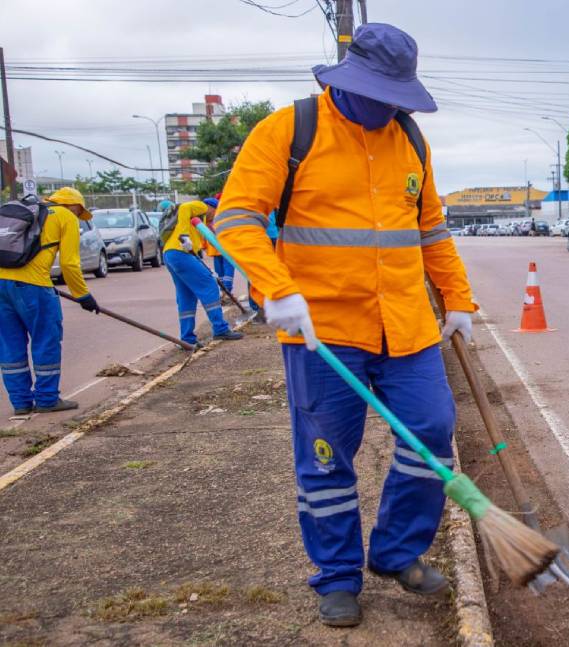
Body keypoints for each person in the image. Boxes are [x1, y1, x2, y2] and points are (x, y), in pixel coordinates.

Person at [216, 23, 475, 628]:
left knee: (432, 431)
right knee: (328, 457)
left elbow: (431, 228)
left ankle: (396, 551)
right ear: (346, 79)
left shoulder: (410, 139)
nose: (387, 108)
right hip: (322, 331)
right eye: (378, 94)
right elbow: (235, 218)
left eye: (396, 97)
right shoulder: (288, 130)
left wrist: (457, 298)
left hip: (406, 325)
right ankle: (336, 575)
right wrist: (274, 289)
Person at [0, 187, 100, 414]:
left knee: (9, 344)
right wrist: (83, 295)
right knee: (46, 339)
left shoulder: (28, 211)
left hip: (1, 284)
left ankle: (21, 403)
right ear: (75, 206)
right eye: (79, 213)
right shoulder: (66, 217)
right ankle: (46, 400)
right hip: (34, 286)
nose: (78, 217)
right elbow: (69, 263)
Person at [161, 200, 243, 347]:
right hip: (180, 252)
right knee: (209, 285)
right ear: (212, 208)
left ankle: (187, 338)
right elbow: (185, 207)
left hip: (171, 254)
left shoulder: (201, 221)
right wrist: (184, 235)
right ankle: (220, 328)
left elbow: (211, 240)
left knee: (186, 295)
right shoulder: (201, 206)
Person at [202, 197, 235, 297]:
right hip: (216, 251)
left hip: (226, 250)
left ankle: (227, 290)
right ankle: (223, 291)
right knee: (219, 272)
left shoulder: (220, 218)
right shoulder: (206, 221)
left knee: (227, 272)